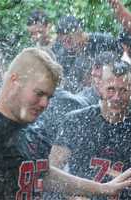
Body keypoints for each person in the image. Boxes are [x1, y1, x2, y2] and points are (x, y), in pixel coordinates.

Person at [0, 48, 131, 200]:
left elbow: (43, 173)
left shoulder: (34, 130)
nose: (45, 103)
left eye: (49, 96)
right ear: (14, 81)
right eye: (39, 93)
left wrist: (103, 189)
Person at [50, 51, 131, 199]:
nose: (117, 97)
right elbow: (51, 171)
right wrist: (71, 196)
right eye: (111, 89)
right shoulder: (76, 121)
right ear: (100, 86)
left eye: (123, 90)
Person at [52, 15, 118, 93]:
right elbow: (65, 83)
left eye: (69, 40)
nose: (67, 46)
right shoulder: (64, 54)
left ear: (79, 31)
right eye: (62, 42)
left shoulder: (103, 42)